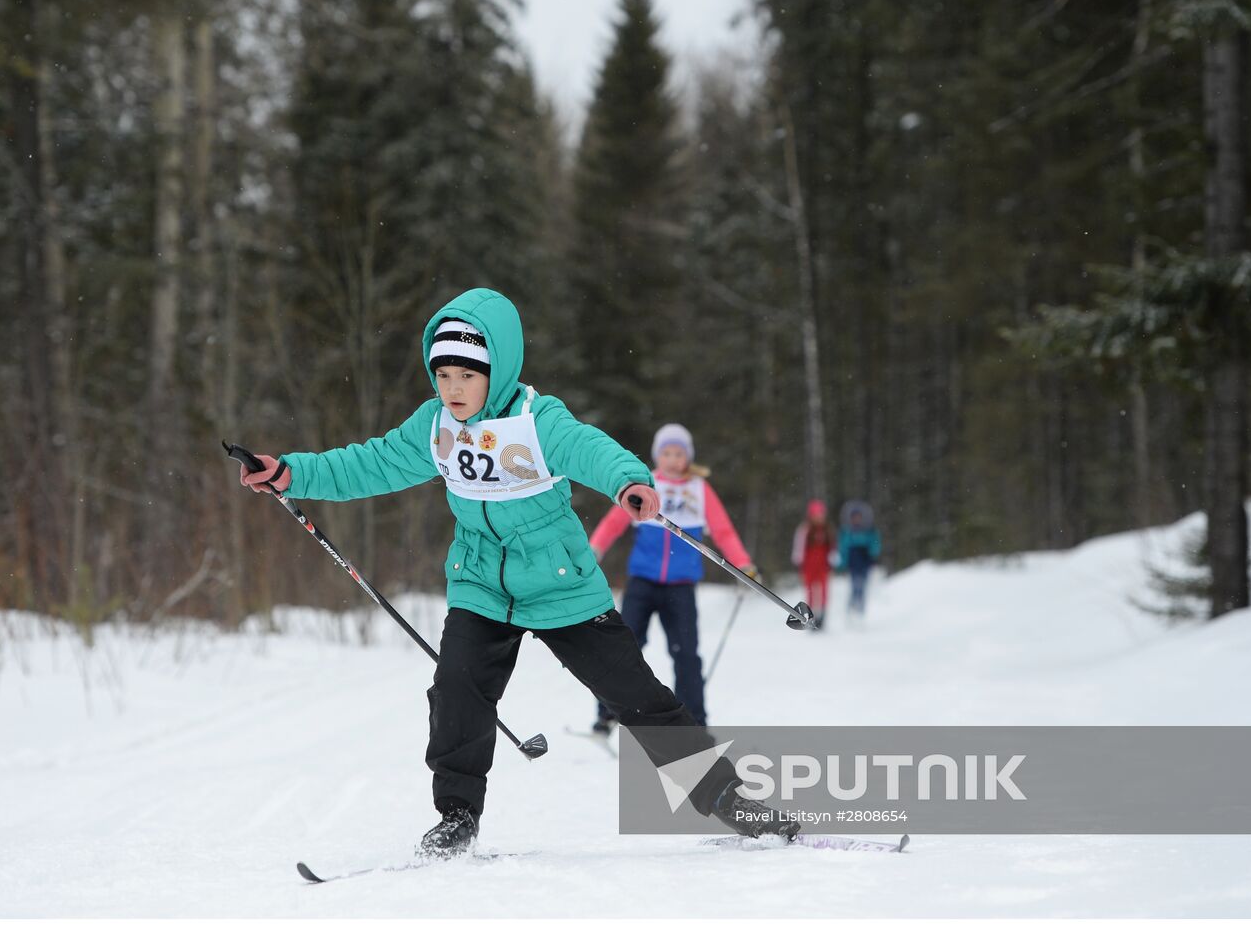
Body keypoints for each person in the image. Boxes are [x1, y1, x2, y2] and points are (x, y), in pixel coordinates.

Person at [237, 289, 797, 858]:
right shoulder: (435, 428)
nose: (452, 388)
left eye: (466, 375)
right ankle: (456, 816)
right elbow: (371, 461)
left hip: (561, 584)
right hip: (480, 583)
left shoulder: (536, 419)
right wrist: (289, 473)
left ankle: (725, 796)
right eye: (443, 374)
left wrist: (627, 479)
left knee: (637, 697)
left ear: (496, 369)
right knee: (457, 691)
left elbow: (588, 448)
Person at [586, 424, 757, 730]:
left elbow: (723, 530)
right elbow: (614, 522)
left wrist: (743, 564)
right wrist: (595, 548)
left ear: (688, 457)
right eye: (666, 452)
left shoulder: (699, 489)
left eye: (679, 453)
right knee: (625, 647)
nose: (672, 459)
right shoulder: (646, 485)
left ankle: (695, 724)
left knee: (686, 655)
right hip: (643, 582)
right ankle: (606, 715)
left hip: (681, 586)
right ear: (657, 455)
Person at [791, 499, 836, 629]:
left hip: (823, 566)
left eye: (820, 515)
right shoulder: (805, 530)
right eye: (816, 515)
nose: (818, 518)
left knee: (823, 591)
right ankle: (809, 617)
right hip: (809, 566)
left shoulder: (827, 530)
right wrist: (799, 564)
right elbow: (799, 547)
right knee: (810, 591)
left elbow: (832, 548)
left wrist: (832, 563)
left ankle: (822, 617)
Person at [838, 500, 882, 619]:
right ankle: (852, 607)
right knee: (855, 585)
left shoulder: (869, 531)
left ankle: (860, 609)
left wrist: (873, 556)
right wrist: (843, 564)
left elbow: (875, 545)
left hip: (865, 563)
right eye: (854, 517)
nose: (856, 519)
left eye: (858, 517)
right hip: (853, 564)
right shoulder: (848, 532)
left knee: (862, 586)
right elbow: (843, 549)